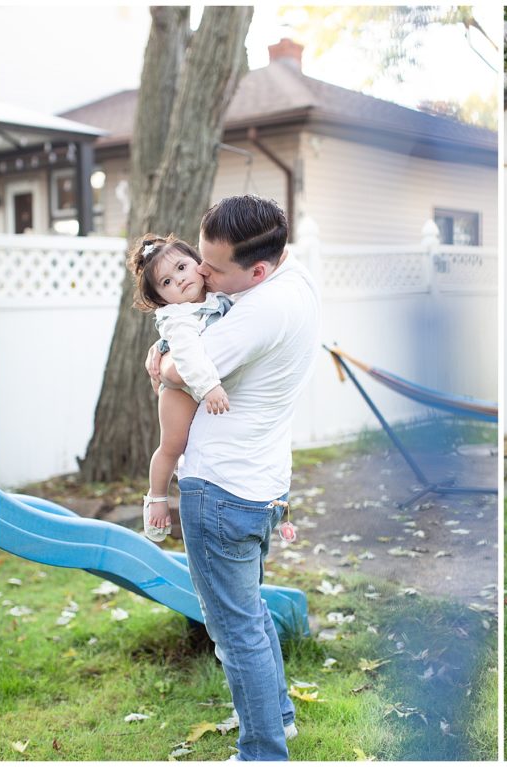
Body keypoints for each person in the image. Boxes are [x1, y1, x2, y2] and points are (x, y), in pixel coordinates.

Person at [147, 196, 320, 760]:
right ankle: (282, 719)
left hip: (221, 490)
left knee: (233, 629)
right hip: (262, 486)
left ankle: (262, 751)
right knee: (252, 612)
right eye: (200, 258)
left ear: (259, 270)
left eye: (213, 268)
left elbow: (183, 366)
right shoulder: (293, 282)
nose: (200, 273)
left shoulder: (258, 312)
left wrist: (162, 358)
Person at [128, 234, 233, 542]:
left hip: (198, 385)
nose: (180, 280)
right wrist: (209, 386)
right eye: (167, 282)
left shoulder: (216, 295)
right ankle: (157, 497)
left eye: (183, 268)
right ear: (161, 298)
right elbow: (186, 354)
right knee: (173, 445)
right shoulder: (177, 317)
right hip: (180, 391)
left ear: (198, 262)